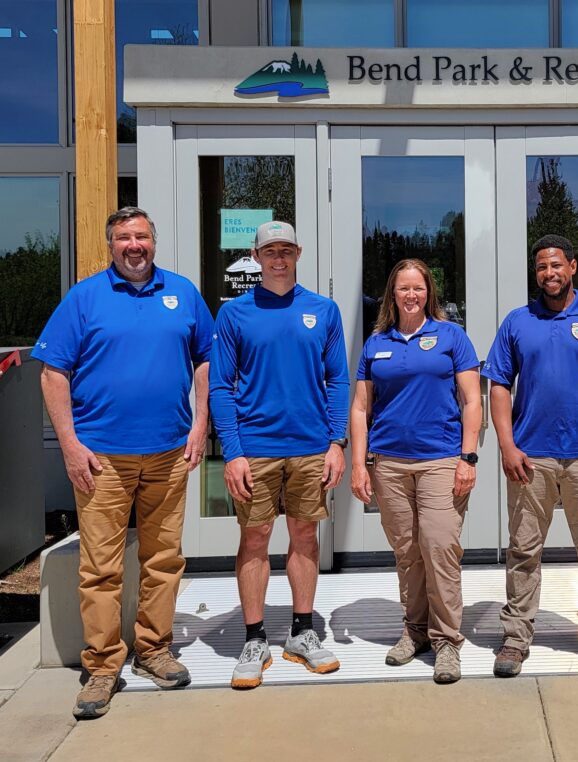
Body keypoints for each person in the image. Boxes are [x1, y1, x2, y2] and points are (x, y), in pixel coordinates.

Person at [32, 207, 212, 719]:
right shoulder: (85, 297)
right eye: (124, 238)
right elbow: (52, 373)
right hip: (101, 458)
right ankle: (103, 666)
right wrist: (69, 445)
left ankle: (154, 650)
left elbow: (205, 359)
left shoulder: (182, 292)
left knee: (163, 559)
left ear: (154, 241)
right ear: (111, 245)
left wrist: (201, 425)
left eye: (142, 236)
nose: (135, 245)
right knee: (101, 568)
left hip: (169, 453)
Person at [483, 234, 578, 678]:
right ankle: (515, 639)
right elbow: (497, 384)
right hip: (530, 459)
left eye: (556, 265)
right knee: (523, 550)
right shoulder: (518, 321)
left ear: (573, 268)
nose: (549, 273)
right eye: (541, 267)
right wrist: (508, 445)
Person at [209, 221, 349, 690]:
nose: (278, 258)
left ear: (298, 253)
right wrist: (232, 452)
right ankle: (254, 638)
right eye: (270, 251)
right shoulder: (234, 315)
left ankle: (302, 633)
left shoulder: (323, 310)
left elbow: (339, 381)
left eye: (286, 250)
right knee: (254, 538)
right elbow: (220, 387)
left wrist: (337, 442)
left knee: (304, 535)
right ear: (256, 256)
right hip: (256, 450)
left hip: (311, 448)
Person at [350, 259, 481, 684]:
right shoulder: (376, 344)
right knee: (407, 552)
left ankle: (446, 641)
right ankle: (415, 631)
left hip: (441, 459)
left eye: (418, 289)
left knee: (440, 547)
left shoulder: (450, 337)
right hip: (389, 464)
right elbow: (360, 407)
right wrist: (359, 464)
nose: (411, 295)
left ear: (429, 294)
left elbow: (472, 400)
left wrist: (468, 457)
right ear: (393, 293)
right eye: (404, 288)